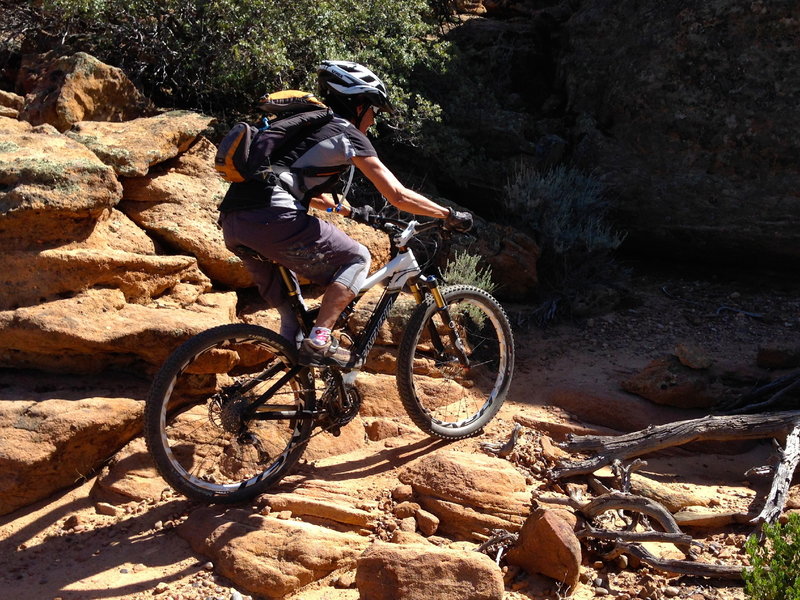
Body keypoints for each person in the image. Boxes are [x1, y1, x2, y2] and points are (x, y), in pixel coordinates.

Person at [218, 59, 473, 368]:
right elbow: (397, 195)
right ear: (359, 103)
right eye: (374, 111)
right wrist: (447, 214)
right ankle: (322, 337)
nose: (374, 120)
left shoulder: (305, 129)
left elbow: (299, 187)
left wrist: (352, 211)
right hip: (273, 216)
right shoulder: (347, 133)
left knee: (293, 319)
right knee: (358, 258)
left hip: (233, 221)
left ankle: (301, 404)